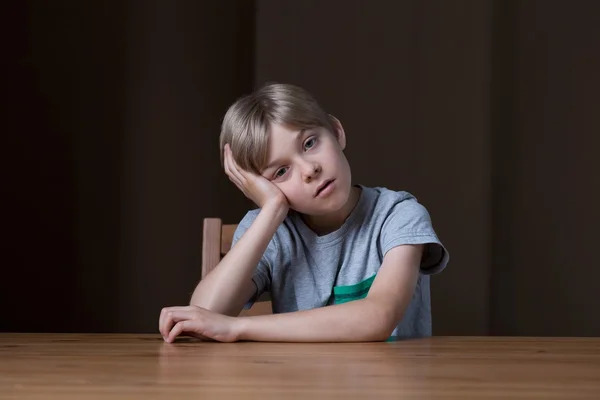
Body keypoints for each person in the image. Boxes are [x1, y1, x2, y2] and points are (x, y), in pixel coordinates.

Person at [159, 83, 449, 343]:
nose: (310, 170)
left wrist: (238, 328)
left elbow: (378, 317)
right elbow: (203, 317)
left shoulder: (398, 214)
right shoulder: (270, 228)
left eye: (310, 143)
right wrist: (271, 210)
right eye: (281, 171)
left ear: (337, 132)